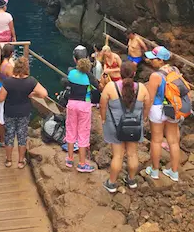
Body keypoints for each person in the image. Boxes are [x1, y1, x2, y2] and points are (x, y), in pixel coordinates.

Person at [100, 61, 151, 193]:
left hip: (115, 127)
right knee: (132, 154)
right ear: (134, 74)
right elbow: (147, 106)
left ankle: (111, 183)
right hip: (134, 127)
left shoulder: (111, 87)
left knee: (118, 156)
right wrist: (143, 118)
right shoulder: (142, 88)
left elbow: (103, 105)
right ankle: (132, 180)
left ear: (120, 73)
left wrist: (104, 118)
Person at [0, 57, 47, 169]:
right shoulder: (31, 81)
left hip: (10, 112)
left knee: (9, 136)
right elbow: (44, 93)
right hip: (24, 113)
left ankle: (9, 160)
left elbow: (0, 98)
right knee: (22, 136)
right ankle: (20, 161)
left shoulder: (8, 82)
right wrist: (33, 94)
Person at [145, 46, 181, 182]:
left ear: (160, 60)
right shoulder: (176, 70)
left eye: (153, 59)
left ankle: (154, 171)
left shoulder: (155, 76)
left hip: (158, 109)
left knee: (156, 140)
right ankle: (174, 172)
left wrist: (145, 113)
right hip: (173, 108)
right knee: (173, 140)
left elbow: (150, 98)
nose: (150, 61)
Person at [64, 56, 98, 173]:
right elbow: (97, 88)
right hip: (84, 105)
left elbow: (66, 81)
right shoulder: (89, 77)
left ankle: (69, 159)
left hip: (72, 104)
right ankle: (82, 164)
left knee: (71, 130)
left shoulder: (72, 73)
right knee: (83, 134)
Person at [0, 43, 15, 147]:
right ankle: (6, 138)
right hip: (6, 90)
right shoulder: (9, 66)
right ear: (11, 54)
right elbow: (12, 81)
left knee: (0, 115)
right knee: (6, 115)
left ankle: (1, 139)